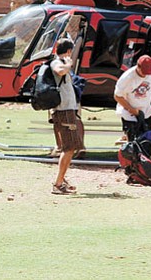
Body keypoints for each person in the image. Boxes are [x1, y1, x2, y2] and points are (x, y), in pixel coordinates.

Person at [50, 38, 85, 194]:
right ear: (69, 51)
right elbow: (59, 71)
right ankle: (58, 184)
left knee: (69, 147)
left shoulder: (59, 62)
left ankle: (61, 179)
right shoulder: (57, 63)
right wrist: (69, 64)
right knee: (69, 148)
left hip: (67, 109)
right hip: (64, 110)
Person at [114, 55, 151, 141]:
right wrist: (131, 109)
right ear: (138, 67)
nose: (145, 75)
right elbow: (117, 96)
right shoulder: (127, 77)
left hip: (146, 110)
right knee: (134, 141)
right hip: (130, 112)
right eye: (144, 72)